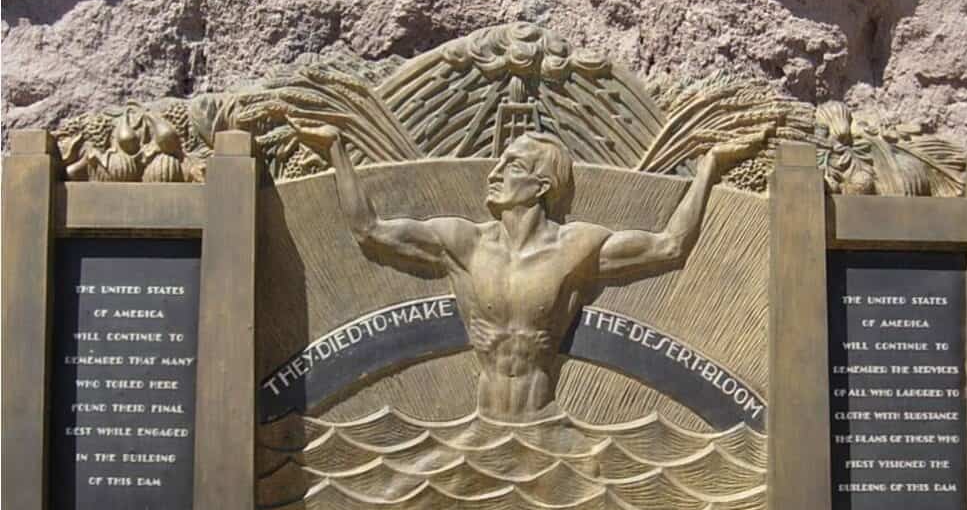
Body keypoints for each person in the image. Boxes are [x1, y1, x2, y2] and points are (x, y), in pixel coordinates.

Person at [293, 121, 766, 423]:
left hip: (544, 423)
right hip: (482, 423)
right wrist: (337, 150)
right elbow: (369, 231)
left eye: (511, 166)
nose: (494, 172)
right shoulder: (464, 243)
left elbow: (671, 245)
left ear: (541, 186)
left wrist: (709, 167)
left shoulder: (576, 248)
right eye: (496, 163)